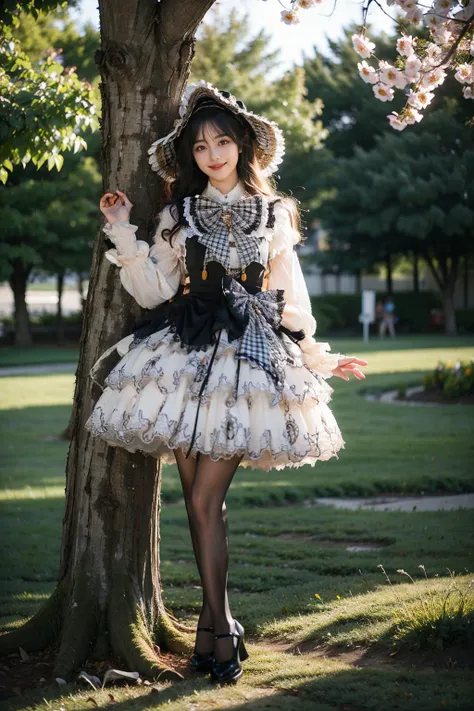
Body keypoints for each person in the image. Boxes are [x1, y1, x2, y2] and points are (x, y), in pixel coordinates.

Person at [85, 82, 368, 684]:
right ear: (188, 155)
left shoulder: (274, 215)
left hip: (246, 358)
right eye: (200, 146)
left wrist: (316, 355)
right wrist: (122, 230)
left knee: (205, 498)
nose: (212, 154)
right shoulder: (177, 215)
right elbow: (154, 292)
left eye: (222, 142)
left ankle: (220, 624)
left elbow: (290, 293)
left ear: (242, 147)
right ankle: (216, 631)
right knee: (196, 501)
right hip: (184, 353)